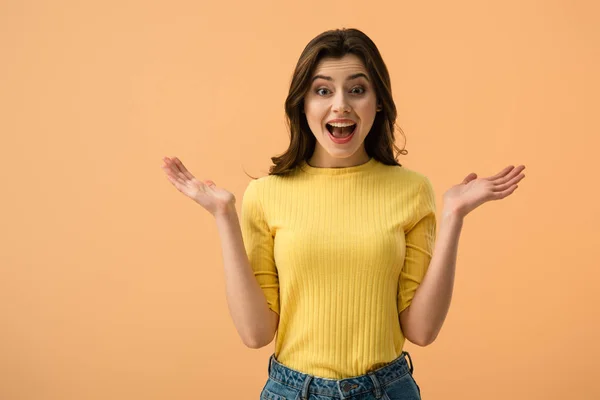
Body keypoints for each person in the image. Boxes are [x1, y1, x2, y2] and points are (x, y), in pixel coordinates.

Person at [161, 28, 526, 400]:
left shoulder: (412, 190)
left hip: (387, 389)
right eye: (323, 90)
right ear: (303, 104)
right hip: (292, 391)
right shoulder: (265, 195)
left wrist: (454, 216)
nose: (340, 105)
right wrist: (223, 215)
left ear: (378, 102)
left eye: (357, 89)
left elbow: (422, 330)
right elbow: (255, 333)